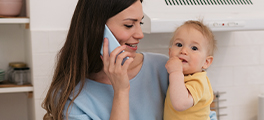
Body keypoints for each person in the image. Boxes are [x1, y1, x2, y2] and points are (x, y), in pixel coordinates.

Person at [41, 0, 217, 120]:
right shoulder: (71, 97)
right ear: (97, 28)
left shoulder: (165, 69)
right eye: (128, 25)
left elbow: (203, 113)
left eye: (140, 23)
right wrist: (121, 91)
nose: (140, 34)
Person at [164, 20, 216, 120]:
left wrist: (175, 72)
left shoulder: (198, 81)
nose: (184, 51)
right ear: (170, 53)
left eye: (194, 48)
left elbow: (180, 104)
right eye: (179, 45)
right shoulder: (182, 77)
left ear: (206, 62)